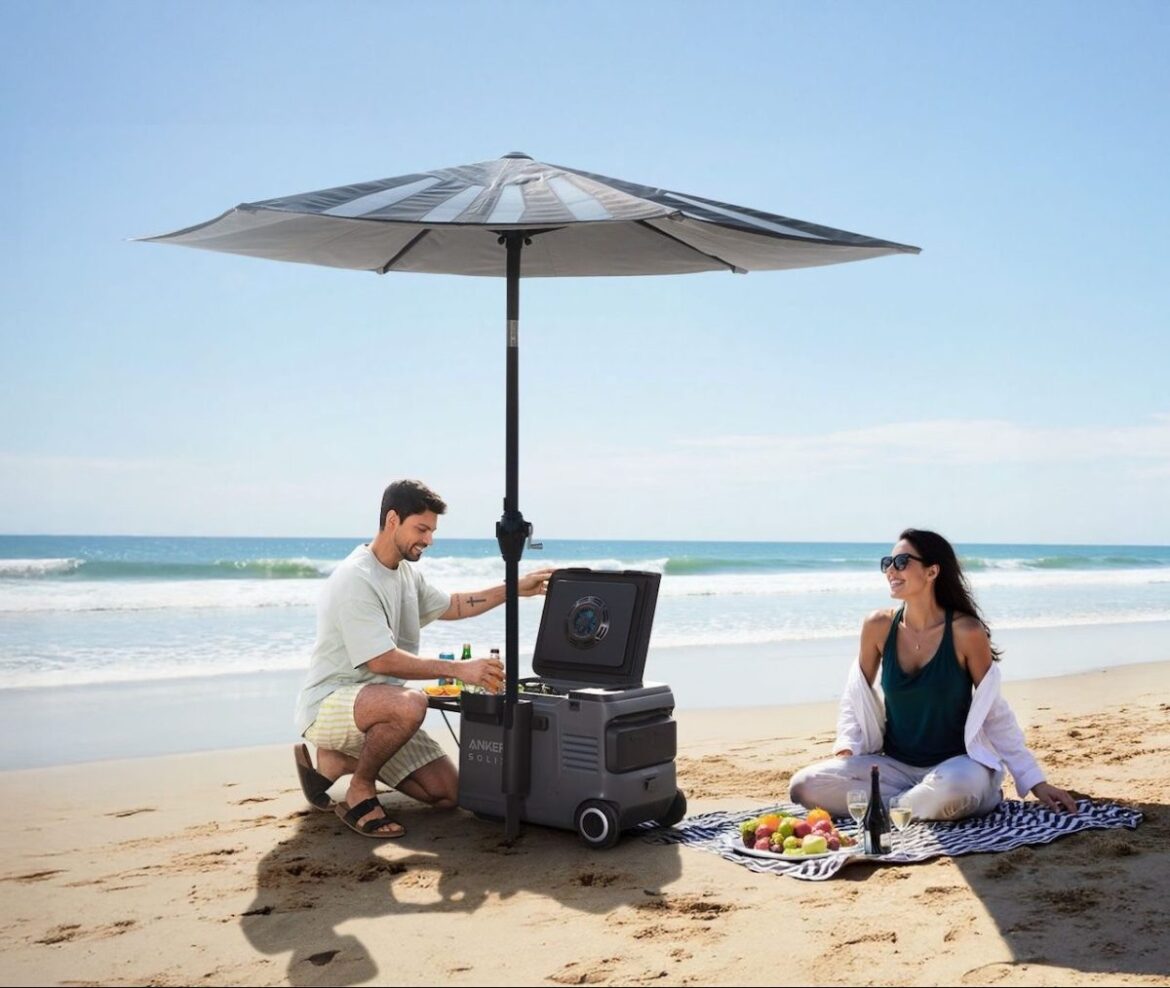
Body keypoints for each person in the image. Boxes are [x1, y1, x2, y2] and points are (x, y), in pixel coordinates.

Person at [293, 479, 552, 838]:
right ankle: (360, 789)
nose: (429, 539)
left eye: (432, 531)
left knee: (448, 794)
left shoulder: (405, 573)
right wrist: (460, 670)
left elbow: (455, 605)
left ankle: (339, 759)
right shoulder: (357, 578)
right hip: (329, 704)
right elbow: (381, 661)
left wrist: (514, 588)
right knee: (411, 704)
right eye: (421, 529)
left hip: (379, 707)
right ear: (392, 520)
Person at [789, 528, 1077, 822]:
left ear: (932, 572)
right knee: (804, 786)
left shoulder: (966, 632)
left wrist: (1034, 780)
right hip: (895, 767)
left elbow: (994, 711)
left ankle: (896, 807)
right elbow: (856, 696)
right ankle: (912, 806)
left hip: (958, 766)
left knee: (956, 789)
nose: (890, 570)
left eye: (902, 562)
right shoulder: (878, 626)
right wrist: (848, 747)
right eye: (887, 562)